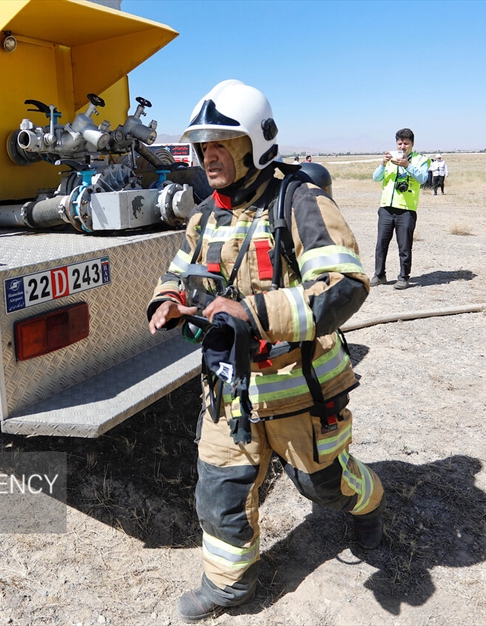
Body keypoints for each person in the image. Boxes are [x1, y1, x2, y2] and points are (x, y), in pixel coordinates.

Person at [146, 80, 384, 623]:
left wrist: (254, 314)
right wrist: (166, 300)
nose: (208, 157)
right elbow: (181, 271)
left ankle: (371, 504)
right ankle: (228, 586)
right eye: (202, 148)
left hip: (300, 392)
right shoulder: (205, 216)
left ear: (254, 144)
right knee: (219, 491)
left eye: (220, 146)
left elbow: (343, 285)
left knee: (324, 486)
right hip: (229, 391)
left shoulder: (299, 202)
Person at [371, 128, 431, 290]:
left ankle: (403, 277)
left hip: (406, 209)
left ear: (412, 143)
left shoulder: (421, 160)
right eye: (399, 143)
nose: (402, 146)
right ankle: (379, 275)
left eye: (406, 143)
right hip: (386, 208)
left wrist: (407, 165)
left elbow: (423, 178)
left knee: (404, 246)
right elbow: (376, 178)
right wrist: (383, 164)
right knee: (381, 244)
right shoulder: (390, 158)